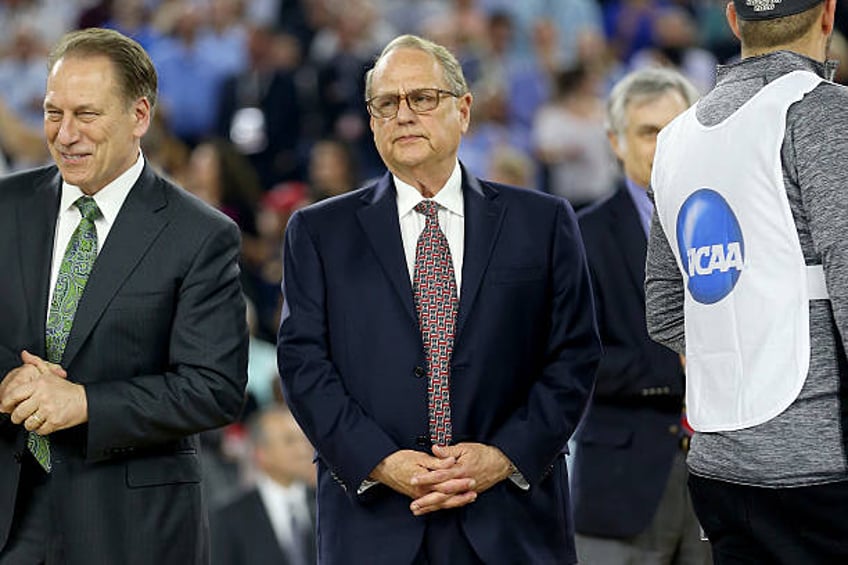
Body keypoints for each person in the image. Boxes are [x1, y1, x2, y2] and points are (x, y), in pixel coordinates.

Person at [277, 34, 600, 565]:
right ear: (372, 121)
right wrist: (382, 461)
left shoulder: (541, 222)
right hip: (375, 524)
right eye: (387, 103)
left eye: (422, 98)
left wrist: (502, 456)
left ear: (464, 110)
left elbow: (574, 354)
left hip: (511, 520)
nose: (404, 115)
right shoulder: (318, 232)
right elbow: (304, 366)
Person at [0, 28, 248, 564]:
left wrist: (85, 403)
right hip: (11, 521)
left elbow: (215, 387)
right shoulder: (6, 207)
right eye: (52, 113)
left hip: (132, 531)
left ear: (139, 116)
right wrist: (10, 380)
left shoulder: (200, 234)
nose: (65, 135)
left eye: (86, 115)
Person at [646, 1, 848, 562]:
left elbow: (663, 309)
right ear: (828, 15)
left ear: (733, 20)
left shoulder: (675, 138)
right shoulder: (826, 114)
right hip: (820, 465)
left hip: (717, 460)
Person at [575, 67, 710, 564]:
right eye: (648, 131)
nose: (663, 143)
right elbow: (573, 357)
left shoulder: (732, 222)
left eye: (675, 128)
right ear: (615, 141)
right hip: (622, 484)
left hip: (722, 483)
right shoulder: (578, 235)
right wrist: (679, 365)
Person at [211, 404, 316, 565]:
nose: (303, 450)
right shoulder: (229, 517)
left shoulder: (326, 506)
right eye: (290, 441)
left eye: (304, 440)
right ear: (261, 453)